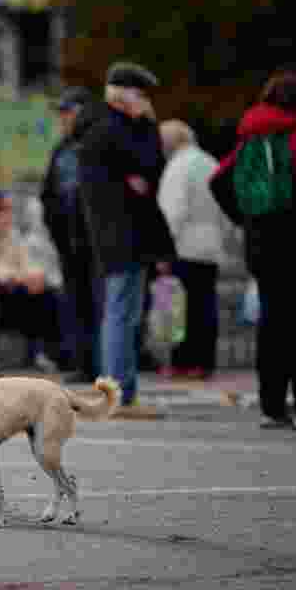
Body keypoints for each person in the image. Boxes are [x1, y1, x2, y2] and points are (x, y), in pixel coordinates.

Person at [210, 70, 296, 429]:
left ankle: (273, 408)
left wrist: (248, 219)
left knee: (272, 326)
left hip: (262, 245)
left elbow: (219, 180)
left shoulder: (250, 136)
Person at [78, 62, 176, 408]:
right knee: (120, 313)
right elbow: (147, 163)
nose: (146, 102)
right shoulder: (108, 129)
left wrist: (140, 179)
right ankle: (117, 391)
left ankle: (124, 390)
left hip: (128, 232)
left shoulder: (114, 126)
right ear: (123, 94)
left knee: (127, 313)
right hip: (120, 234)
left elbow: (151, 173)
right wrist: (148, 126)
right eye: (141, 94)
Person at [156, 119, 228, 380]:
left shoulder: (177, 167)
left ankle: (182, 362)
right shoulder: (210, 162)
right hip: (210, 245)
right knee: (205, 306)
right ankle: (204, 362)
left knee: (179, 310)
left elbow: (172, 212)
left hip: (183, 246)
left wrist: (162, 250)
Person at [40, 87, 102, 383]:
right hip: (68, 241)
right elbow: (49, 194)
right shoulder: (61, 149)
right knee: (77, 303)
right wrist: (57, 232)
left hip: (94, 241)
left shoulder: (92, 143)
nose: (62, 119)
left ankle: (102, 363)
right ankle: (83, 363)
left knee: (98, 303)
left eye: (66, 112)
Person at [0, 197, 62, 372]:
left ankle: (41, 352)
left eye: (8, 213)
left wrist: (33, 275)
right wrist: (16, 277)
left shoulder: (13, 236)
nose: (6, 218)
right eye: (2, 213)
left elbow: (26, 262)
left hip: (16, 286)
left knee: (45, 294)